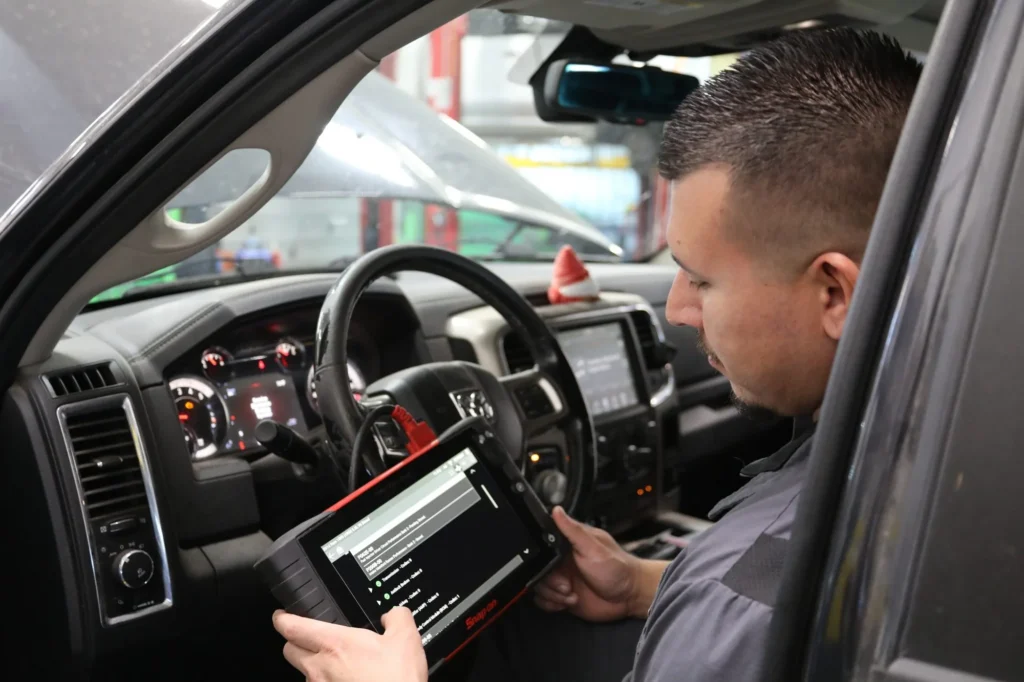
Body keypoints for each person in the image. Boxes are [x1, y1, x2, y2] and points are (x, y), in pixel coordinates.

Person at [270, 26, 923, 682]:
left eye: (700, 277)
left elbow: (746, 609)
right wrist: (648, 585)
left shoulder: (738, 603)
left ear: (834, 292)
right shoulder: (934, 413)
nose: (676, 310)